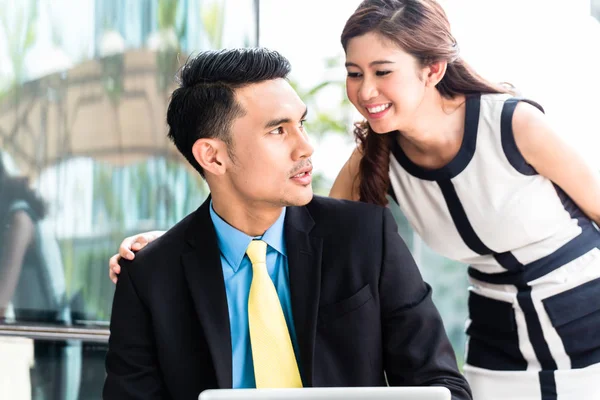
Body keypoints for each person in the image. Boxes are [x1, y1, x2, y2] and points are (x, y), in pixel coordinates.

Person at [109, 1, 600, 399]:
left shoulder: (511, 125)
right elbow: (303, 218)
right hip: (497, 335)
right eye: (354, 73)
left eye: (383, 71)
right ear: (211, 156)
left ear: (432, 70)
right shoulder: (376, 156)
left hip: (586, 311)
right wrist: (173, 248)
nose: (365, 92)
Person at [102, 47, 471, 400]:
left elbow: (442, 385)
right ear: (212, 157)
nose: (305, 146)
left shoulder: (364, 238)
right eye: (278, 130)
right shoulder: (151, 277)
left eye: (301, 123)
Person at [0, 151, 81, 399]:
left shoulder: (20, 220)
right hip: (49, 338)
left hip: (57, 340)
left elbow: (2, 300)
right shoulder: (22, 215)